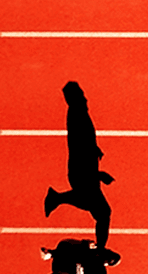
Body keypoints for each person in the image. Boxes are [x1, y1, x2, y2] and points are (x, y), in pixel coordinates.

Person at [45, 81, 114, 249]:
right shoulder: (78, 114)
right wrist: (99, 175)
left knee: (98, 210)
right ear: (74, 99)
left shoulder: (78, 113)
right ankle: (100, 250)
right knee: (103, 213)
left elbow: (83, 142)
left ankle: (57, 198)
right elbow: (80, 145)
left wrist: (95, 149)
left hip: (82, 172)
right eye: (81, 95)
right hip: (83, 174)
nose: (86, 98)